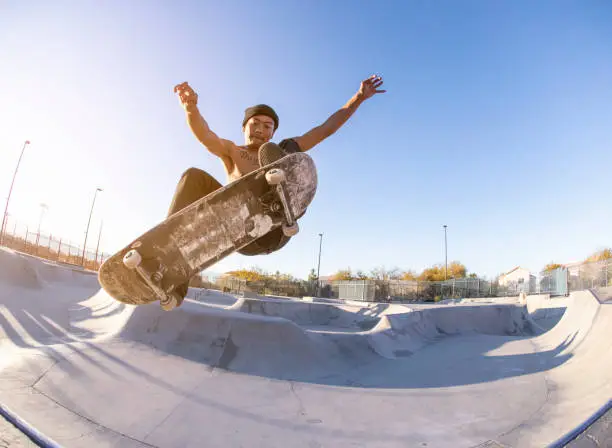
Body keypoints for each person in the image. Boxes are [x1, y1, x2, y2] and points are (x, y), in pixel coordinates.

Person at [168, 74, 385, 298]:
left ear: (273, 132)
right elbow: (205, 135)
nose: (261, 130)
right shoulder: (231, 151)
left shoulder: (284, 148)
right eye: (255, 124)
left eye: (267, 126)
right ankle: (170, 263)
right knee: (192, 177)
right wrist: (190, 108)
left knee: (282, 153)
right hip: (243, 234)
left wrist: (358, 98)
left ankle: (282, 197)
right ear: (244, 127)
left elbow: (325, 129)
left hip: (275, 230)